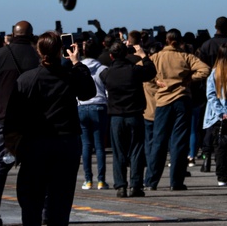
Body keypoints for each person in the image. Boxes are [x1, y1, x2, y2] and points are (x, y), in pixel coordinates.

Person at [5, 32, 96, 226]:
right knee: (60, 201)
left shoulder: (26, 79)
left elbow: (12, 116)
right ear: (60, 51)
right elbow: (88, 92)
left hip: (36, 144)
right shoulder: (70, 75)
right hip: (66, 144)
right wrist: (77, 62)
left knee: (29, 199)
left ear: (38, 51)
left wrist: (14, 145)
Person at [0, 20, 39, 226]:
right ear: (31, 34)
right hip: (32, 121)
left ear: (13, 34)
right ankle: (39, 211)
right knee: (36, 169)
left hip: (3, 120)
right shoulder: (37, 56)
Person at [146, 30, 209, 191]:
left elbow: (141, 69)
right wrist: (188, 79)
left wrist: (156, 81)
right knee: (179, 142)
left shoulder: (157, 57)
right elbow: (205, 70)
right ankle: (176, 181)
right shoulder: (186, 57)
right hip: (182, 99)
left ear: (166, 40)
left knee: (159, 142)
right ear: (179, 41)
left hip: (163, 101)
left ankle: (151, 181)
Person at [100, 40, 156, 197]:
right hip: (134, 114)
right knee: (136, 150)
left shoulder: (107, 74)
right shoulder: (134, 70)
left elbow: (103, 76)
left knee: (118, 152)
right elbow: (151, 71)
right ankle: (136, 185)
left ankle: (121, 186)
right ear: (126, 54)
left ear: (111, 56)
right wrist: (143, 56)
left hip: (116, 116)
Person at [204, 44, 227, 186]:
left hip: (218, 117)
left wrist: (221, 112)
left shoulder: (214, 73)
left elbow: (211, 95)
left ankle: (222, 177)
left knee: (220, 148)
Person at [78, 37, 109, 190]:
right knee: (99, 145)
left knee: (86, 144)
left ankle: (88, 179)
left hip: (82, 106)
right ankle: (101, 180)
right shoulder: (103, 69)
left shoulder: (78, 67)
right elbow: (107, 90)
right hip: (99, 106)